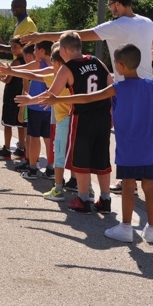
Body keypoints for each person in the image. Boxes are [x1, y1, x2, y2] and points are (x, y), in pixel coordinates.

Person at [23, 0, 153, 191]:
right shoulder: (148, 23)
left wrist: (42, 36)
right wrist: (141, 59)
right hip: (147, 85)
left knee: (124, 132)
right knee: (146, 130)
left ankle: (129, 178)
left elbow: (76, 35)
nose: (110, 9)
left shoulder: (115, 26)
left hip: (124, 88)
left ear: (118, 5)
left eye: (110, 5)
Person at [41, 44, 153, 242]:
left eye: (115, 63)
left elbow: (88, 97)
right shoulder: (151, 85)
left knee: (128, 186)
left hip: (128, 146)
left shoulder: (117, 87)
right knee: (150, 187)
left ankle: (126, 228)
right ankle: (152, 230)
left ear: (121, 65)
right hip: (148, 146)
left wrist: (57, 99)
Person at [0, 44, 78, 201]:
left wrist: (29, 100)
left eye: (36, 49)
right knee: (70, 149)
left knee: (47, 144)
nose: (34, 52)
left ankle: (45, 177)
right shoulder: (69, 70)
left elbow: (34, 76)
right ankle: (78, 185)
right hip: (69, 115)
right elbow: (35, 75)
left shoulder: (55, 71)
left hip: (53, 113)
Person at [38, 31, 114, 214]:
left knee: (81, 160)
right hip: (103, 117)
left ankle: (83, 199)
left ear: (63, 49)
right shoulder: (97, 61)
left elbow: (52, 95)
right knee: (102, 159)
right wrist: (111, 114)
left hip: (81, 118)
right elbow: (112, 86)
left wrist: (30, 101)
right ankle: (105, 199)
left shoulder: (67, 68)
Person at [7, 41, 55, 179]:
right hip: (51, 107)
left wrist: (8, 71)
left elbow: (24, 69)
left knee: (33, 138)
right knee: (49, 139)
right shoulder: (57, 64)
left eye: (35, 49)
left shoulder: (39, 63)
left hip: (35, 106)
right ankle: (50, 169)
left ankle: (33, 169)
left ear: (41, 51)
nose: (34, 53)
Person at [0, 36, 27, 160]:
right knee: (21, 124)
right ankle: (22, 147)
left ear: (23, 47)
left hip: (11, 94)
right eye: (11, 46)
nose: (13, 49)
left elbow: (8, 80)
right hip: (20, 93)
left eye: (16, 47)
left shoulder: (17, 62)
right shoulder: (27, 61)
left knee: (7, 124)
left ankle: (6, 148)